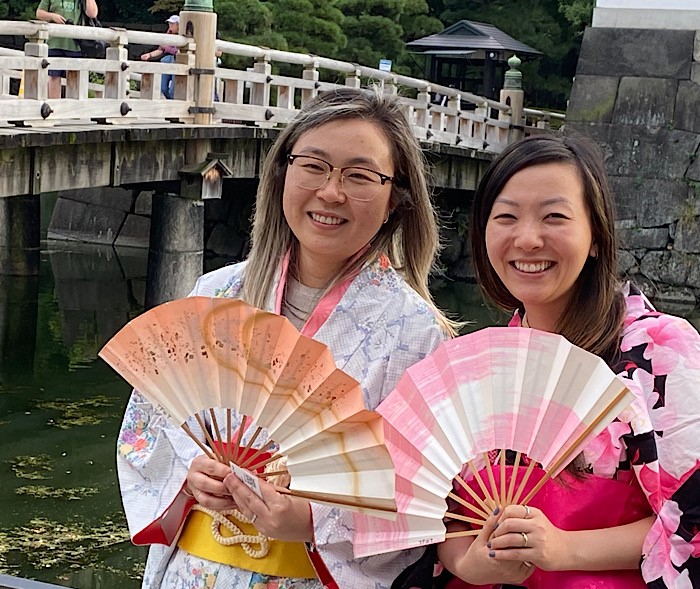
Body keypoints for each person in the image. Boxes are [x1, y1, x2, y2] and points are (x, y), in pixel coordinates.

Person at [116, 87, 459, 589]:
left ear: (395, 200)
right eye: (313, 166)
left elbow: (425, 500)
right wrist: (192, 476)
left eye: (359, 175)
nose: (331, 192)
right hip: (192, 571)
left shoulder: (418, 336)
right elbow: (147, 427)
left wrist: (314, 520)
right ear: (283, 173)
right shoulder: (215, 296)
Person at [426, 134, 699, 588]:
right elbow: (446, 515)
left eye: (554, 217)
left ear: (596, 236)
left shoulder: (660, 351)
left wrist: (563, 548)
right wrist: (468, 563)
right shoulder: (485, 362)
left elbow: (691, 516)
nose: (528, 239)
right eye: (506, 217)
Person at [36, 0, 99, 99]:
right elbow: (39, 13)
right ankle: (55, 108)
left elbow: (92, 14)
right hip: (55, 42)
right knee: (54, 77)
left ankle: (72, 110)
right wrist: (53, 16)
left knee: (74, 78)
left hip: (75, 44)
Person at [140, 15, 179, 99]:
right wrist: (149, 55)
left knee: (173, 89)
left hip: (177, 61)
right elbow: (160, 49)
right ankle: (170, 101)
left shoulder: (183, 36)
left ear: (178, 25)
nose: (170, 26)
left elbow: (178, 52)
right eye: (169, 24)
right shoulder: (168, 34)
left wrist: (167, 48)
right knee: (163, 88)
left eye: (172, 24)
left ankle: (172, 102)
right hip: (168, 60)